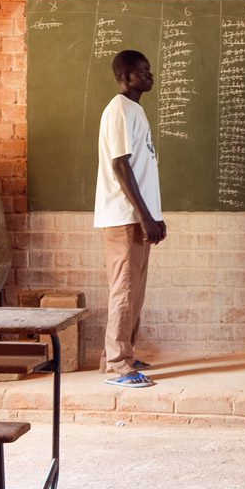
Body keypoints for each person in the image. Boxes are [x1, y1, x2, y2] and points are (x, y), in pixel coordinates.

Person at [94, 48, 166, 388]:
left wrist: (153, 216)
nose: (150, 75)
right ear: (125, 77)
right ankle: (118, 365)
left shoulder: (133, 110)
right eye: (143, 70)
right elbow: (120, 166)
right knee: (123, 289)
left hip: (137, 217)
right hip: (125, 217)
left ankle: (121, 353)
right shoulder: (121, 110)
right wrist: (143, 216)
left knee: (134, 290)